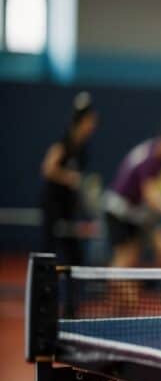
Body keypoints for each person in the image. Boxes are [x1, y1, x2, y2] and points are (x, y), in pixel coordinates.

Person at [104, 117, 161, 268]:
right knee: (125, 259)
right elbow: (151, 196)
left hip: (138, 214)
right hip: (119, 212)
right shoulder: (149, 158)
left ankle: (152, 285)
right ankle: (115, 290)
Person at [40, 92, 98, 265]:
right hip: (53, 206)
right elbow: (47, 168)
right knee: (48, 253)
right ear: (83, 121)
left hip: (68, 207)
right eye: (91, 120)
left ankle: (74, 290)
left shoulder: (83, 148)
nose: (94, 125)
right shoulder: (64, 143)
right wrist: (70, 177)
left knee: (74, 256)